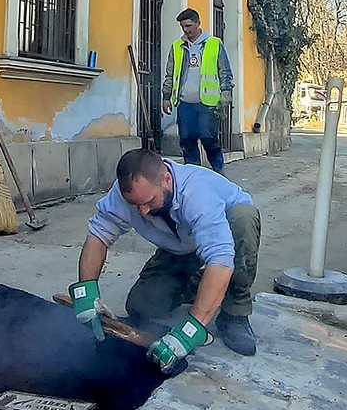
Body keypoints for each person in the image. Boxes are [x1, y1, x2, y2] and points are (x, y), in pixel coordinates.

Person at [68, 148, 260, 371]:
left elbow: (221, 258)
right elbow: (99, 235)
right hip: (180, 246)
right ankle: (203, 284)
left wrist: (190, 332)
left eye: (148, 201)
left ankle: (234, 311)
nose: (143, 212)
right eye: (135, 205)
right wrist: (86, 292)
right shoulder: (127, 195)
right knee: (141, 307)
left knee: (243, 218)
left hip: (227, 236)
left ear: (166, 180)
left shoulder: (197, 194)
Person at [162, 8, 233, 175]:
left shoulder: (214, 44)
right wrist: (166, 97)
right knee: (187, 140)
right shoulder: (177, 46)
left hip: (207, 103)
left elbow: (225, 71)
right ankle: (193, 175)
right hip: (185, 102)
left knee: (208, 138)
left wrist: (226, 95)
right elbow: (170, 73)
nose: (186, 30)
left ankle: (218, 171)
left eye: (188, 25)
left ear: (198, 23)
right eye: (183, 27)